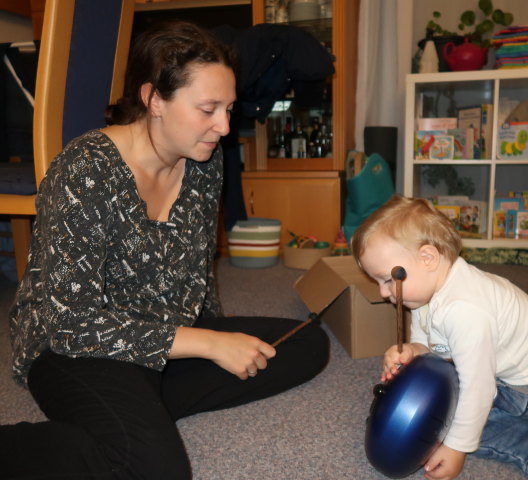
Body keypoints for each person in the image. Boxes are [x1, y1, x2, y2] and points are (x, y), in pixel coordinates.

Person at [0, 20, 328, 479]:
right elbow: (69, 322)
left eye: (229, 108)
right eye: (209, 108)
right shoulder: (85, 169)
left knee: (303, 344)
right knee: (157, 469)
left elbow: (195, 269)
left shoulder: (203, 161)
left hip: (162, 332)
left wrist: (212, 334)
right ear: (154, 99)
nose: (225, 126)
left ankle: (134, 411)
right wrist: (207, 343)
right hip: (74, 347)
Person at [351, 195, 528, 480]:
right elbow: (430, 344)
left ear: (427, 258)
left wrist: (456, 447)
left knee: (447, 423)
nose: (383, 292)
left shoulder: (465, 310)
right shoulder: (428, 289)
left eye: (387, 279)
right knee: (444, 391)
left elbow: (477, 387)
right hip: (522, 362)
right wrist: (414, 351)